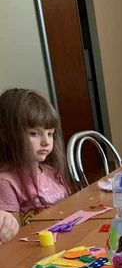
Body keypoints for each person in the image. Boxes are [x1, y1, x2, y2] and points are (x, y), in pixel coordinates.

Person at [0, 89, 70, 234]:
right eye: (34, 133)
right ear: (6, 135)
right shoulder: (6, 182)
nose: (46, 142)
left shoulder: (51, 172)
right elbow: (13, 238)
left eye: (50, 133)